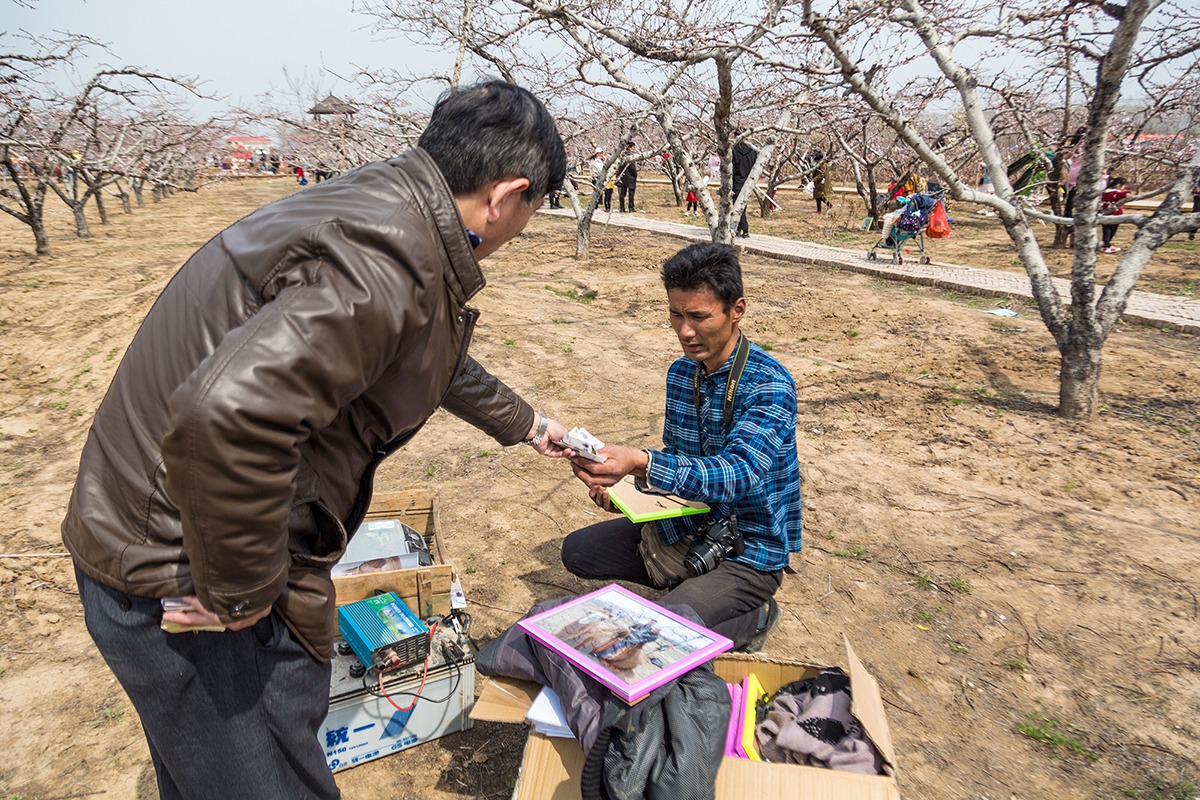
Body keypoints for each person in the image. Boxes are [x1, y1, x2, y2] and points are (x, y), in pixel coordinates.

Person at [61, 80, 572, 800]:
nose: (525, 226)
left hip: (181, 535)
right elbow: (226, 418)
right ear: (505, 195)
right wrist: (238, 595)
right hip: (182, 565)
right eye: (533, 208)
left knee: (222, 769)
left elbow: (421, 350)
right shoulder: (387, 257)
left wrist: (533, 427)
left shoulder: (392, 212)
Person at [562, 242, 803, 652]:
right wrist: (623, 491)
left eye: (698, 317)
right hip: (690, 526)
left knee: (662, 630)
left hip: (749, 548)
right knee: (578, 553)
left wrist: (641, 462)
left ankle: (750, 614)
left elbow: (739, 474)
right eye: (676, 314)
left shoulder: (769, 384)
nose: (685, 331)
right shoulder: (681, 374)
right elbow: (677, 460)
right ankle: (696, 592)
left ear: (736, 310)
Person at [731, 134, 757, 238]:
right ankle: (739, 228)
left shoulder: (734, 151)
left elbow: (731, 169)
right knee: (743, 205)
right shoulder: (753, 152)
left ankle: (744, 229)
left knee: (737, 206)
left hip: (737, 181)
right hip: (748, 181)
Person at [1100, 176, 1130, 253]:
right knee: (1111, 231)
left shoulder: (1105, 192)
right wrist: (1127, 193)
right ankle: (1107, 245)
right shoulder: (1114, 193)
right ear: (1118, 185)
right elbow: (1118, 195)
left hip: (1105, 214)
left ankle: (1105, 244)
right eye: (1123, 186)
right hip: (1114, 215)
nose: (1124, 188)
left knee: (1106, 231)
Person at [617, 140, 639, 213]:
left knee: (622, 193)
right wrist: (635, 175)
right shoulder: (631, 156)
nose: (634, 148)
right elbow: (633, 167)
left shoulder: (622, 155)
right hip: (630, 178)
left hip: (623, 177)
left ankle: (622, 207)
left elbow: (619, 166)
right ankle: (631, 207)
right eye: (633, 147)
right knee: (631, 193)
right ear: (631, 147)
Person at [589, 147, 612, 212]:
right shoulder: (596, 162)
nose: (602, 155)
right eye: (600, 153)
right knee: (597, 193)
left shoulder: (599, 161)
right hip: (596, 178)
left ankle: (596, 207)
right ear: (597, 154)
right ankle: (595, 207)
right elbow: (601, 170)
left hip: (598, 178)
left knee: (598, 193)